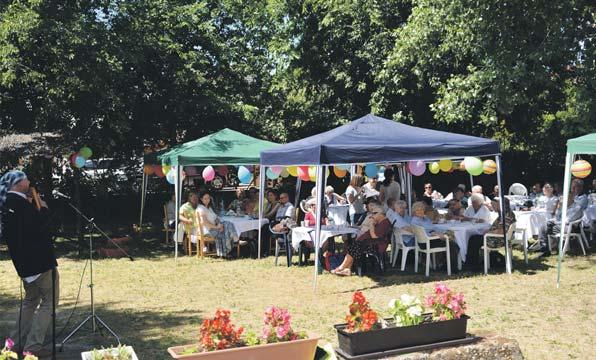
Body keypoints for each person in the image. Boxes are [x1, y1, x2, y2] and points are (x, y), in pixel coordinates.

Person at [0, 171, 57, 357]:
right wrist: (44, 208)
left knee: (31, 301)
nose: (29, 181)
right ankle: (33, 345)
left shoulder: (8, 203)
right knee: (50, 301)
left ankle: (14, 342)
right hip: (39, 262)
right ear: (17, 183)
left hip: (24, 264)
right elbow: (40, 228)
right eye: (25, 179)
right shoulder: (22, 204)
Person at [332, 203, 392, 276]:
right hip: (371, 243)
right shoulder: (381, 221)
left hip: (376, 245)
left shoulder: (384, 222)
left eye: (374, 213)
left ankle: (342, 267)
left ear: (381, 214)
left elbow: (374, 236)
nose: (372, 215)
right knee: (352, 245)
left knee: (354, 246)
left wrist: (371, 225)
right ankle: (347, 269)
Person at [537, 179, 588, 256]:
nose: (565, 200)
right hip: (561, 225)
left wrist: (555, 222)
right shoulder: (565, 207)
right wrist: (559, 208)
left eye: (567, 198)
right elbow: (557, 217)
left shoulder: (576, 207)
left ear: (572, 198)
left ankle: (546, 249)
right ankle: (545, 248)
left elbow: (568, 220)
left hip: (570, 227)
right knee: (544, 226)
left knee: (545, 228)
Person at [466, 197, 516, 269]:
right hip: (496, 237)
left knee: (473, 240)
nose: (492, 206)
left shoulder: (506, 216)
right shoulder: (504, 214)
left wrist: (488, 232)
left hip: (498, 240)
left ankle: (473, 265)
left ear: (500, 205)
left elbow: (501, 231)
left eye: (494, 204)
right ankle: (473, 263)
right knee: (474, 238)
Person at [196, 191, 236, 258]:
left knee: (228, 224)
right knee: (225, 231)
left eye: (208, 198)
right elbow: (205, 223)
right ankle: (227, 250)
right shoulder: (200, 208)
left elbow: (216, 217)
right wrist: (217, 227)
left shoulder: (209, 208)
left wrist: (219, 224)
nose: (207, 200)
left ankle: (230, 246)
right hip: (207, 230)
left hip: (214, 227)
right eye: (205, 198)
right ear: (201, 199)